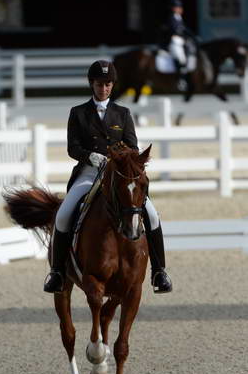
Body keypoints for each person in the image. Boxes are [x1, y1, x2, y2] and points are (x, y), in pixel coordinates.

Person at [43, 60, 172, 295]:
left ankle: (159, 271)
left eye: (108, 84)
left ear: (113, 86)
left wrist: (121, 158)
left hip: (119, 174)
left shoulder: (122, 113)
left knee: (152, 214)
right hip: (89, 172)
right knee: (63, 215)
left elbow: (133, 146)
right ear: (92, 84)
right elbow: (73, 148)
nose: (104, 89)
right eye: (100, 84)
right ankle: (57, 272)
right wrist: (91, 156)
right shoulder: (78, 113)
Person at [161, 0, 197, 88]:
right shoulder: (171, 18)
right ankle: (181, 80)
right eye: (178, 7)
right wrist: (183, 33)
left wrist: (192, 35)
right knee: (181, 59)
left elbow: (184, 29)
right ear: (173, 8)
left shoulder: (179, 17)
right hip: (174, 41)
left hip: (181, 41)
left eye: (180, 7)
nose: (180, 9)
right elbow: (175, 30)